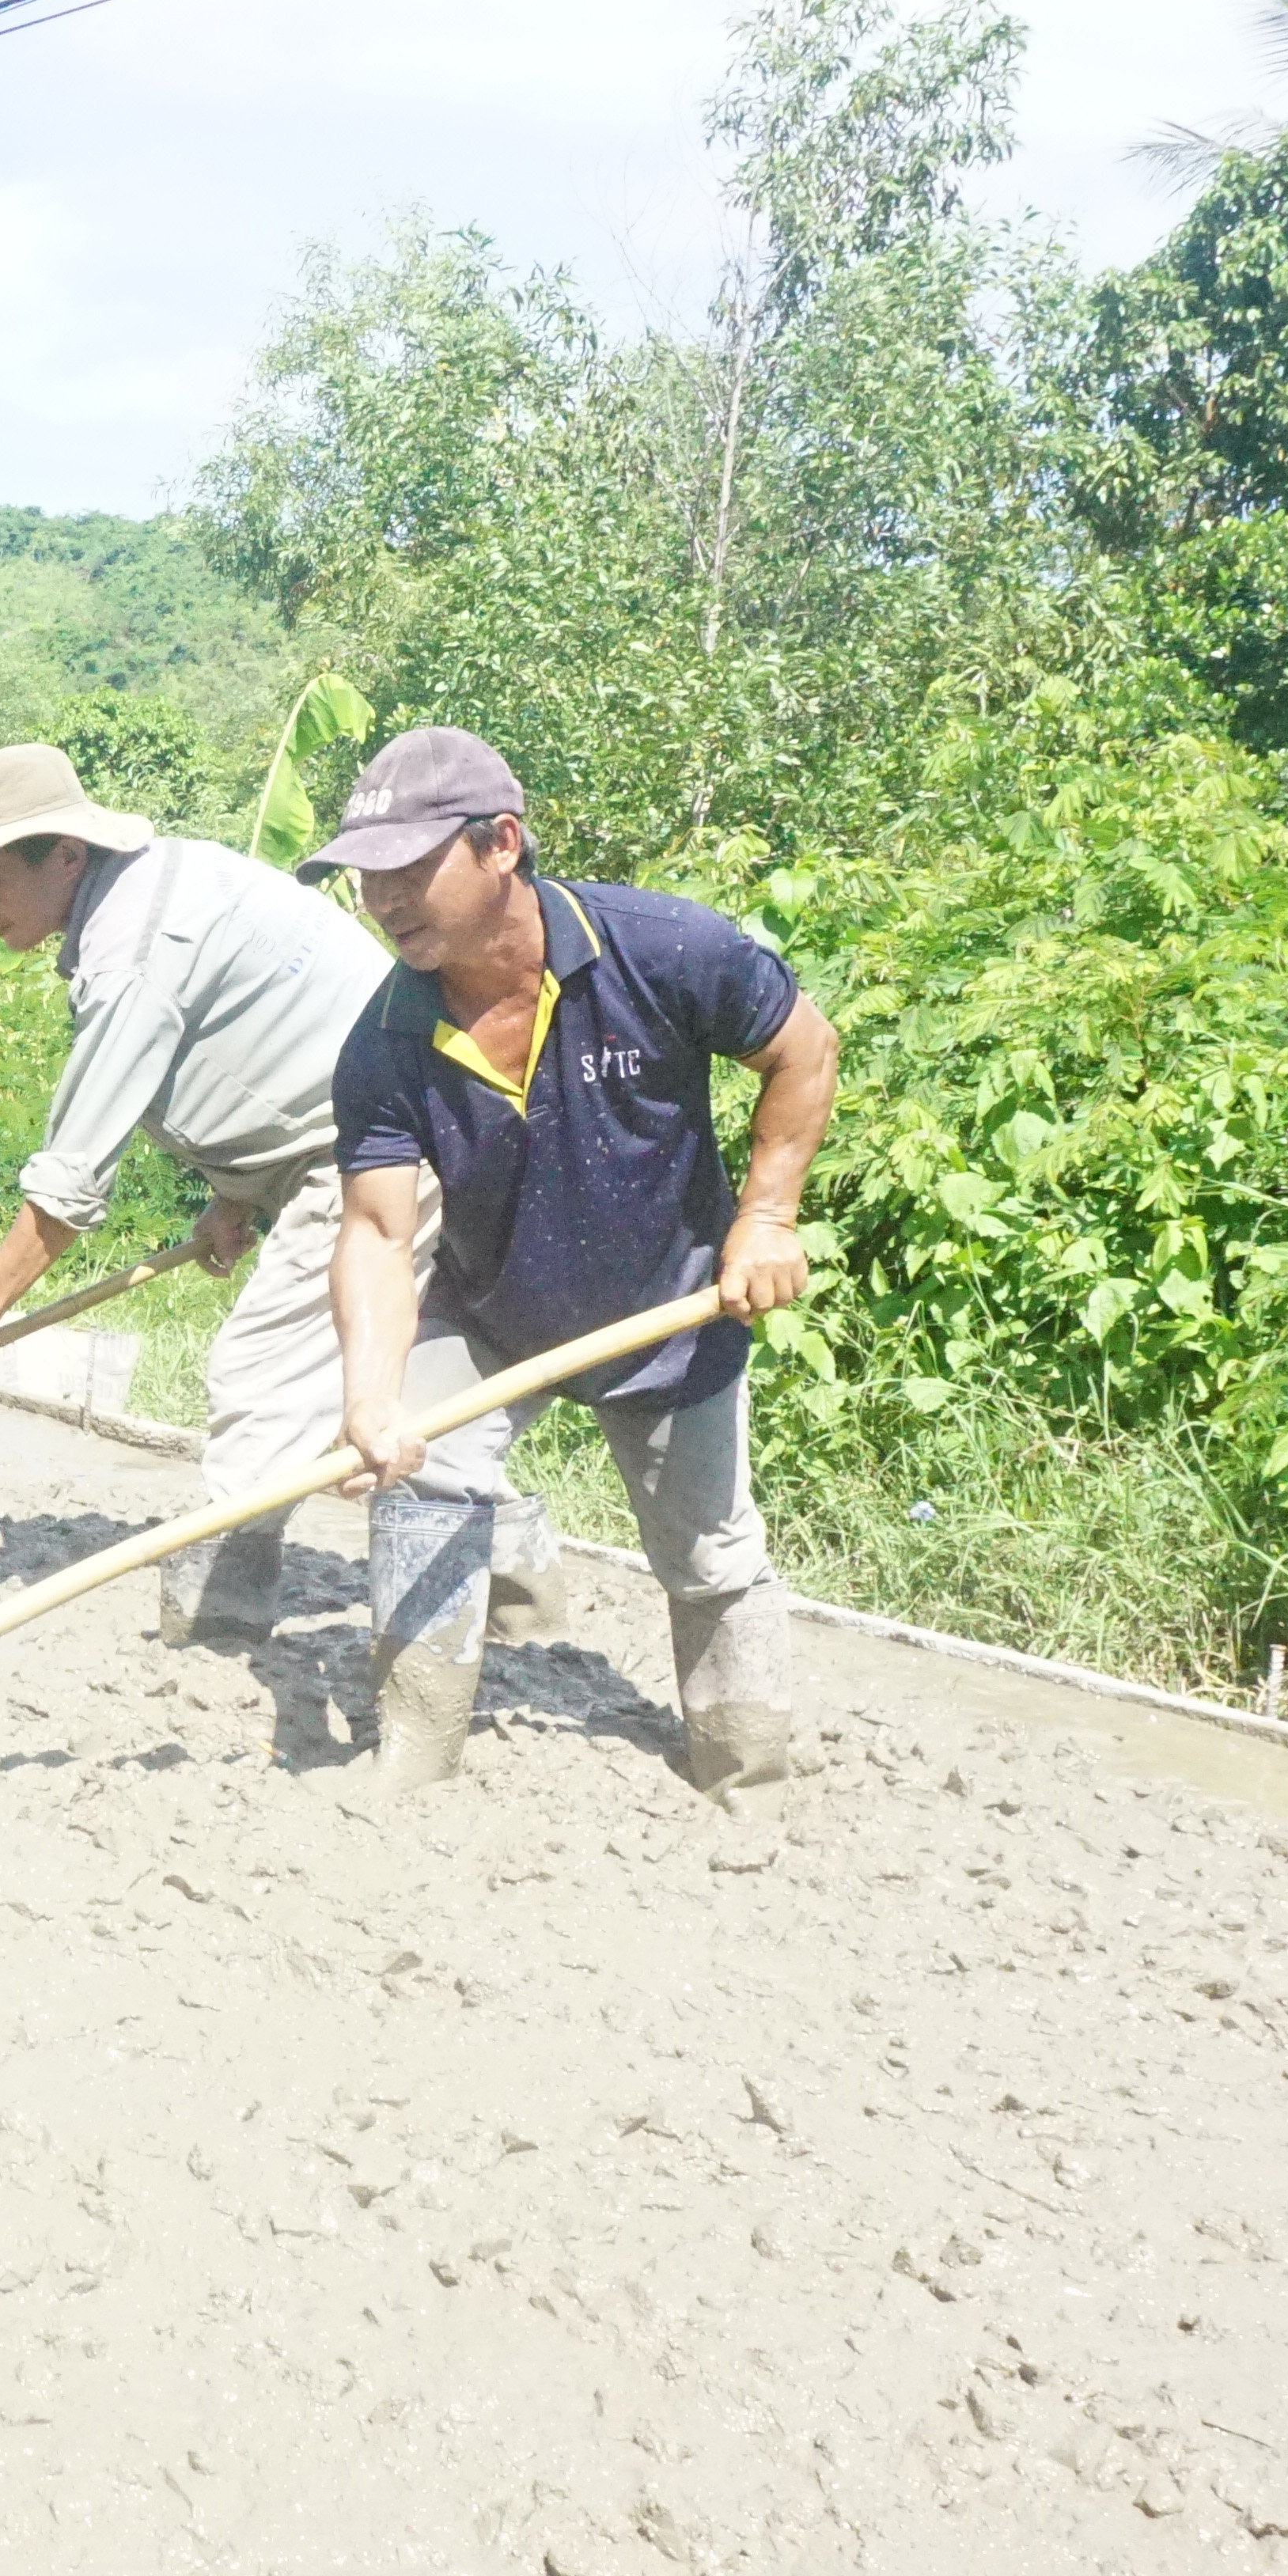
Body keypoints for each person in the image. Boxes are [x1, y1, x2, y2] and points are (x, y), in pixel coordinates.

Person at [315, 727, 839, 1794]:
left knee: (709, 1553)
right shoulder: (384, 1043)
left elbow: (805, 1048)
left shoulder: (663, 949)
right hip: (494, 1309)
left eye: (410, 868)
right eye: (367, 877)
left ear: (502, 843)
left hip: (671, 1308)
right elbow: (375, 1232)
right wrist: (370, 1398)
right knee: (421, 1478)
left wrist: (767, 1218)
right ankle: (414, 1757)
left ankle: (748, 1770)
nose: (384, 900)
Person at [0, 742, 399, 1642]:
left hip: (378, 1146)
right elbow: (258, 1041)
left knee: (261, 1378)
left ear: (66, 855)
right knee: (433, 1387)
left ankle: (219, 1617)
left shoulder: (133, 948)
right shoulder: (158, 884)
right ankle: (514, 1582)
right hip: (351, 1136)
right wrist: (239, 1194)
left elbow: (72, 1181)